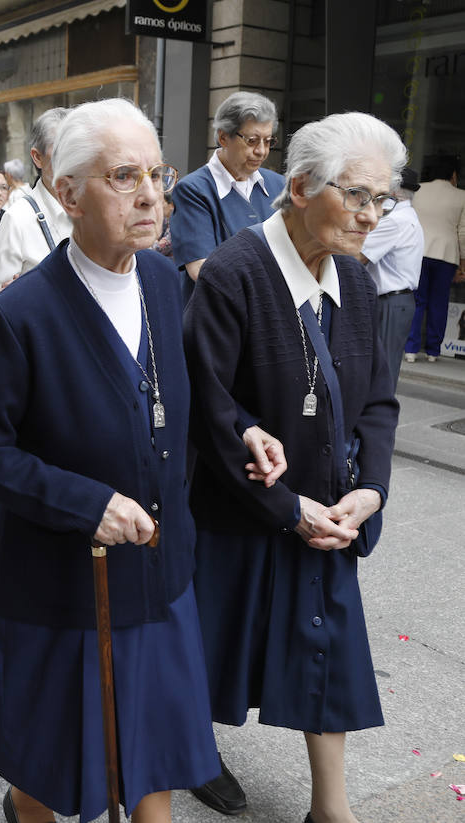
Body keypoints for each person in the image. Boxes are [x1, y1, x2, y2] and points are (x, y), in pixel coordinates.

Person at [0, 98, 280, 823]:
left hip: (160, 572)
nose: (152, 195)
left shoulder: (165, 284)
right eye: (124, 176)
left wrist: (244, 426)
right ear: (68, 193)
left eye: (156, 174)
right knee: (52, 769)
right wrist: (83, 501)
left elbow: (193, 388)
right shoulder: (20, 315)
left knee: (152, 758)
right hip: (62, 588)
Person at [183, 111, 402, 823]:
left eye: (383, 199)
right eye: (359, 195)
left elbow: (378, 404)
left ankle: (330, 810)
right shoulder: (234, 273)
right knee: (212, 658)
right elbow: (210, 412)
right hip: (246, 513)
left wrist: (368, 491)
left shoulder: (360, 284)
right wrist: (288, 508)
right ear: (302, 188)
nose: (373, 216)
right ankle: (192, 752)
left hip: (332, 512)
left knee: (329, 654)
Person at [170, 91, 284, 300]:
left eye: (268, 141)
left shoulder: (279, 185)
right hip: (217, 319)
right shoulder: (194, 190)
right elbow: (201, 269)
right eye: (252, 140)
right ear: (223, 137)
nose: (262, 151)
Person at [0, 108, 71, 294]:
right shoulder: (17, 219)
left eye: (77, 150)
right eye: (60, 152)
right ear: (37, 157)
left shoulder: (93, 212)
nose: (70, 161)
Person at [359, 167, 424, 389]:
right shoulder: (408, 216)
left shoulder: (395, 221)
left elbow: (359, 256)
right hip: (397, 301)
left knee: (380, 369)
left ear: (394, 193)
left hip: (390, 302)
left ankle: (378, 421)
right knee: (384, 366)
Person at [404, 155, 465, 363]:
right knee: (439, 303)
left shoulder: (418, 190)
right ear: (453, 174)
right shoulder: (461, 196)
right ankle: (432, 351)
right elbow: (463, 233)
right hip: (446, 255)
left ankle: (411, 350)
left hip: (419, 251)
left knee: (417, 300)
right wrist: (463, 264)